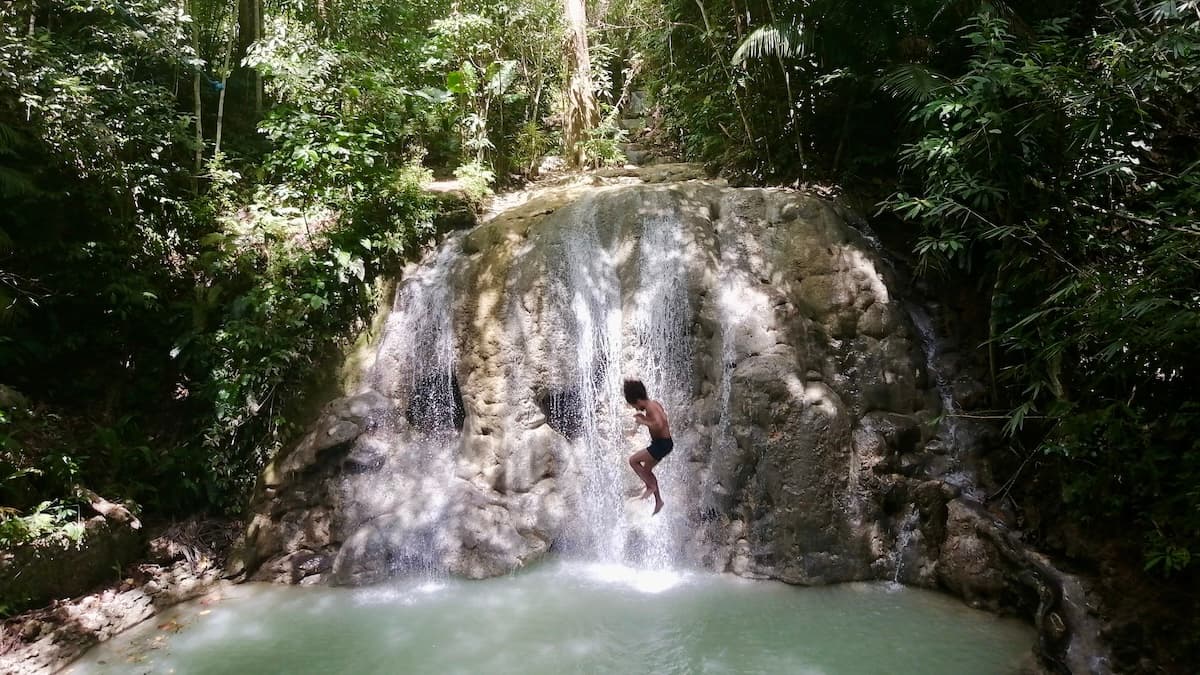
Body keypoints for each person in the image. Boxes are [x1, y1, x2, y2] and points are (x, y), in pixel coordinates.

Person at [623, 379, 673, 515]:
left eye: (634, 405)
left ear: (638, 400)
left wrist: (643, 421)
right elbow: (659, 420)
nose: (635, 408)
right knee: (646, 471)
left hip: (661, 444)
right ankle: (658, 501)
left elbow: (658, 424)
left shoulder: (650, 408)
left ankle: (651, 487)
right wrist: (635, 428)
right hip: (664, 443)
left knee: (633, 461)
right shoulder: (654, 404)